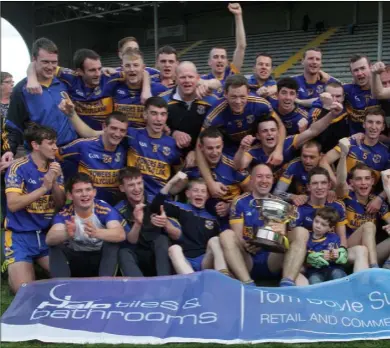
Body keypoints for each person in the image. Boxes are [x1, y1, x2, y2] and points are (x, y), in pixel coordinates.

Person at [61, 96, 182, 197]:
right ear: (145, 115)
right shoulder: (130, 134)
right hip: (131, 198)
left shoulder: (172, 143)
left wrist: (170, 192)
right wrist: (72, 114)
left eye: (163, 114)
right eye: (154, 113)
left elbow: (181, 173)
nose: (158, 119)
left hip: (159, 200)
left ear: (166, 117)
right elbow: (90, 133)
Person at [197, 74, 286, 199]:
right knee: (245, 185)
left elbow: (280, 126)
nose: (238, 101)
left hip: (255, 146)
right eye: (233, 97)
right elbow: (199, 145)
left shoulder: (260, 104)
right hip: (230, 151)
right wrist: (210, 183)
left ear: (248, 92)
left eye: (242, 96)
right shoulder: (215, 113)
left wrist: (278, 150)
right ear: (225, 94)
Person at [220, 164, 309, 287]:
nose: (264, 181)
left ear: (272, 180)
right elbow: (237, 235)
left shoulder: (280, 204)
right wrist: (246, 244)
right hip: (248, 260)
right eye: (259, 176)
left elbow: (289, 242)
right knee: (226, 235)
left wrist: (284, 231)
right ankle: (248, 284)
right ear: (251, 180)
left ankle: (287, 284)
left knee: (301, 232)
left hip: (273, 258)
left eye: (268, 177)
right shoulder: (240, 201)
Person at [3, 125, 65, 293]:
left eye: (56, 143)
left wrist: (54, 184)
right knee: (23, 290)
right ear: (35, 145)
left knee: (68, 280)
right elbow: (13, 204)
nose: (55, 147)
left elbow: (60, 204)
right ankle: (12, 268)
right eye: (50, 143)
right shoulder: (18, 167)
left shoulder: (55, 167)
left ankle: (29, 267)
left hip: (45, 236)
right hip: (19, 236)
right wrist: (44, 188)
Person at [1, 38, 78, 166]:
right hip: (40, 157)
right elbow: (13, 125)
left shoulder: (65, 82)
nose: (50, 67)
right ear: (34, 59)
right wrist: (9, 150)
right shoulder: (21, 89)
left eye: (54, 62)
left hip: (69, 152)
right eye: (45, 62)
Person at [233, 95, 341, 176]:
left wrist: (332, 114)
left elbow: (313, 131)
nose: (270, 133)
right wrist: (242, 149)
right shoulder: (254, 152)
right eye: (265, 131)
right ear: (258, 136)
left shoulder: (288, 142)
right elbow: (239, 165)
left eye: (273, 130)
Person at [46, 173, 126, 277]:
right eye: (79, 191)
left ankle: (105, 284)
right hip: (77, 259)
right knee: (55, 245)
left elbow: (120, 234)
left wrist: (97, 232)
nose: (85, 194)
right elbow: (49, 239)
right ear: (70, 195)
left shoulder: (103, 209)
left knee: (112, 244)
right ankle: (62, 286)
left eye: (88, 190)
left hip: (101, 259)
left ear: (94, 192)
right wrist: (67, 233)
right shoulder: (65, 212)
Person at [291, 167, 369, 271]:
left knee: (361, 250)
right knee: (299, 268)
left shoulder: (337, 205)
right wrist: (307, 258)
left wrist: (342, 250)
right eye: (315, 183)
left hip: (332, 254)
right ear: (308, 187)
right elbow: (293, 243)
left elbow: (342, 237)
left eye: (323, 183)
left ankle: (363, 285)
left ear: (329, 185)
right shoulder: (298, 207)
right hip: (310, 258)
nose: (319, 187)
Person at [150, 173, 229, 275]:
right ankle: (193, 283)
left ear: (207, 196)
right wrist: (171, 182)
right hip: (185, 261)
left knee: (216, 240)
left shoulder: (213, 218)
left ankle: (222, 278)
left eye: (203, 191)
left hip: (205, 263)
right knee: (174, 249)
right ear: (188, 194)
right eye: (195, 191)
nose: (199, 194)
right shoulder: (180, 208)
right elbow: (155, 206)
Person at [26, 48, 114, 130]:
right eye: (92, 70)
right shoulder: (70, 77)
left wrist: (109, 69)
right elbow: (39, 64)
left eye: (99, 69)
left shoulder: (110, 77)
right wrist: (31, 78)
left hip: (107, 136)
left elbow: (127, 68)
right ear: (79, 71)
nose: (98, 74)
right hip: (81, 137)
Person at [336, 140, 390, 268]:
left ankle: (387, 270)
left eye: (367, 179)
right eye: (358, 179)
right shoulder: (346, 197)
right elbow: (340, 182)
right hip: (347, 251)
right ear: (352, 183)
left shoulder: (377, 202)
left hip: (370, 251)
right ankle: (374, 268)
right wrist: (343, 155)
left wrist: (386, 189)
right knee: (369, 226)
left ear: (372, 181)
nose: (363, 183)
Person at [57, 110, 128, 205]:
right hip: (86, 206)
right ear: (104, 127)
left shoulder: (125, 147)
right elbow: (56, 153)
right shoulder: (83, 145)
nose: (117, 134)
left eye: (122, 130)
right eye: (113, 128)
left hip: (113, 208)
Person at [184, 127, 251, 229]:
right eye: (210, 148)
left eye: (218, 147)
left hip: (230, 222)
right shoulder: (193, 165)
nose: (215, 152)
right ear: (200, 147)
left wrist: (230, 207)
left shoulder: (232, 166)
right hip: (198, 220)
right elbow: (175, 189)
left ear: (223, 145)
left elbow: (252, 195)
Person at [115, 167, 172, 277]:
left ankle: (165, 285)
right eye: (131, 185)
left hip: (157, 257)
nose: (137, 189)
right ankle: (139, 290)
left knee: (162, 239)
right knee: (123, 252)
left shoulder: (156, 202)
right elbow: (131, 241)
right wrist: (137, 223)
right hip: (135, 256)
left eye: (139, 183)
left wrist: (166, 223)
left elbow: (179, 235)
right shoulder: (118, 210)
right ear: (122, 188)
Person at [160, 61, 220, 161]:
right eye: (182, 77)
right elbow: (154, 125)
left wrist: (198, 152)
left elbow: (217, 131)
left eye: (190, 77)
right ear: (175, 79)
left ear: (198, 78)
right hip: (169, 155)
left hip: (203, 156)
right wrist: (173, 133)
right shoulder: (163, 100)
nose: (187, 80)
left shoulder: (211, 101)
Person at [322, 110, 390, 191]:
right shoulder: (350, 142)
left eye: (378, 123)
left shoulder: (386, 152)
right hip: (344, 195)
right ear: (364, 124)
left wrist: (379, 198)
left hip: (367, 199)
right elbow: (323, 161)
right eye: (370, 122)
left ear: (383, 127)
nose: (373, 127)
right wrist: (339, 184)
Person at [104, 48, 168, 128]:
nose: (132, 69)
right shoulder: (114, 86)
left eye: (136, 65)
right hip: (119, 136)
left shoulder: (159, 89)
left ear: (143, 67)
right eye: (127, 66)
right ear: (122, 68)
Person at [201, 3, 246, 96]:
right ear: (209, 62)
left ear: (227, 62)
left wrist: (238, 16)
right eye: (216, 57)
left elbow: (241, 46)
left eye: (222, 57)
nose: (219, 60)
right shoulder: (204, 80)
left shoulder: (231, 74)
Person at [305, 207, 348, 285]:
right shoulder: (306, 238)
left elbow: (341, 258)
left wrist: (336, 255)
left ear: (330, 228)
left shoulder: (334, 238)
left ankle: (343, 294)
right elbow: (305, 263)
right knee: (314, 280)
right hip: (315, 272)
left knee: (338, 274)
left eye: (323, 224)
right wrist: (315, 258)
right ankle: (318, 296)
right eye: (316, 221)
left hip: (333, 269)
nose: (318, 226)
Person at [273, 140, 324, 205]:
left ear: (320, 156)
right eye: (304, 156)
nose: (307, 161)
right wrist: (292, 196)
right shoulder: (294, 165)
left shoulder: (326, 166)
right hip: (299, 204)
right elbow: (277, 192)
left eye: (312, 157)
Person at [343, 54, 382, 134]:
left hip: (380, 141)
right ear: (352, 73)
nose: (359, 73)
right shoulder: (347, 90)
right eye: (355, 70)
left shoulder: (383, 90)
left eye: (363, 68)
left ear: (370, 67)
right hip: (355, 141)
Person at [308, 82, 350, 152]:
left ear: (343, 97)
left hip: (342, 152)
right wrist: (326, 109)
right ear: (323, 97)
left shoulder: (348, 111)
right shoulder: (316, 111)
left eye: (338, 96)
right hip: (320, 153)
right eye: (330, 96)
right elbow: (314, 135)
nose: (334, 100)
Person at [1, 72, 14, 221]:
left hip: (13, 146)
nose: (11, 84)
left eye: (12, 81)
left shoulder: (15, 103)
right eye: (8, 82)